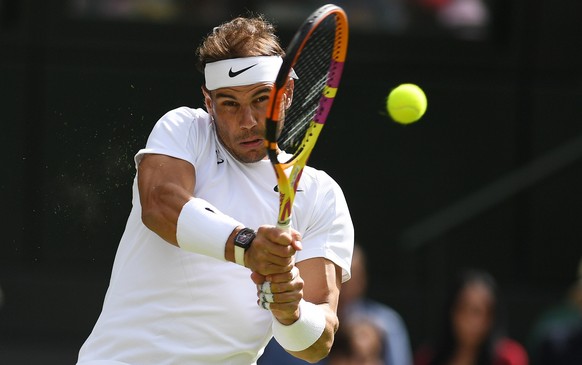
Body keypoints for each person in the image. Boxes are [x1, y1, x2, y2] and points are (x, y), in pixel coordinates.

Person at [76, 14, 354, 365]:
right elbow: (160, 205)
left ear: (287, 94)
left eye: (260, 99)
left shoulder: (320, 194)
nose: (248, 120)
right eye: (230, 104)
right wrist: (247, 246)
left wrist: (291, 313)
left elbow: (317, 344)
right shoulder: (185, 129)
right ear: (209, 103)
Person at [259, 244, 413, 365]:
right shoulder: (286, 322)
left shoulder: (386, 323)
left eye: (347, 276)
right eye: (336, 275)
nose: (341, 284)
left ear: (363, 279)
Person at [414, 269, 528, 365]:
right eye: (463, 309)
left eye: (478, 312)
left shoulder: (508, 359)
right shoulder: (427, 358)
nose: (470, 320)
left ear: (493, 317)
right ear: (450, 311)